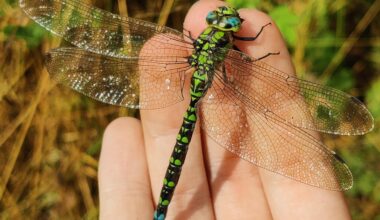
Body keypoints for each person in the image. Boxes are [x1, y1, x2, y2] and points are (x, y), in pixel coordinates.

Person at [98, 0, 351, 219]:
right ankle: (164, 208)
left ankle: (163, 209)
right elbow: (245, 58)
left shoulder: (201, 44)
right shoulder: (231, 46)